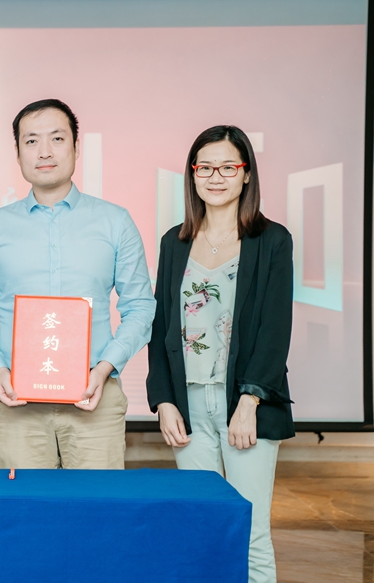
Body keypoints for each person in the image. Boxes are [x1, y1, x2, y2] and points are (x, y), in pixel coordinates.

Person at [0, 99, 155, 469]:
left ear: (77, 148)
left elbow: (140, 307)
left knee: (96, 504)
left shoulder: (115, 222)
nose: (44, 151)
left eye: (57, 138)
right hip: (17, 404)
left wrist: (105, 368)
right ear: (18, 153)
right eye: (31, 141)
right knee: (25, 505)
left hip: (95, 398)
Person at [146, 125, 294, 583]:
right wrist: (164, 400)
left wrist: (249, 402)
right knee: (201, 529)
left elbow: (274, 331)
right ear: (192, 175)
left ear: (246, 174)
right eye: (204, 167)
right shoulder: (175, 242)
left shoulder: (272, 240)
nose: (215, 177)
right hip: (188, 405)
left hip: (245, 406)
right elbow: (161, 326)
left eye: (227, 167)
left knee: (250, 532)